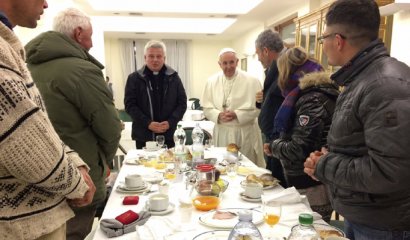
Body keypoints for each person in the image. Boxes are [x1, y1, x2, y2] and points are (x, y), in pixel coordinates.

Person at [303, 0, 410, 238]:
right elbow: (361, 144)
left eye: (323, 39)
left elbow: (388, 171)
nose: (323, 46)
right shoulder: (362, 79)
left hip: (382, 224)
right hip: (366, 215)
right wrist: (328, 158)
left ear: (338, 41)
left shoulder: (383, 85)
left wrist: (325, 166)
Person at [0, 1, 95, 240]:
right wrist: (78, 182)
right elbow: (25, 145)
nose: (45, 3)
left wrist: (74, 161)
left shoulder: (12, 47)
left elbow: (38, 125)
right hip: (24, 223)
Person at [25, 8, 122, 240]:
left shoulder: (26, 66)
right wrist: (104, 162)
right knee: (76, 232)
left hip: (36, 178)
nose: (90, 44)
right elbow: (109, 128)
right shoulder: (82, 71)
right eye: (90, 36)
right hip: (78, 178)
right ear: (79, 33)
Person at [267, 46, 338, 222]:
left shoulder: (311, 99)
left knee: (310, 229)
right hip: (312, 179)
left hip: (312, 184)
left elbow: (299, 148)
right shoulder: (312, 93)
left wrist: (273, 146)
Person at [202, 48, 265, 167]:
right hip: (222, 132)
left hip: (244, 132)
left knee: (246, 167)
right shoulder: (211, 81)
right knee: (223, 166)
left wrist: (237, 114)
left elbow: (259, 109)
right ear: (219, 64)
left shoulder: (252, 81)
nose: (228, 66)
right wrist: (218, 115)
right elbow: (206, 108)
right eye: (225, 63)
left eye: (231, 62)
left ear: (237, 62)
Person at [124, 40, 187, 149]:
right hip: (143, 135)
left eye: (159, 56)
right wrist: (148, 123)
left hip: (168, 134)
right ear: (145, 58)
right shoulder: (134, 78)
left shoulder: (174, 77)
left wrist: (170, 122)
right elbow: (130, 105)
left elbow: (182, 103)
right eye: (151, 56)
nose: (155, 60)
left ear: (164, 58)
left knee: (168, 165)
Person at [254, 29, 288, 187]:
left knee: (281, 189)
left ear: (265, 51)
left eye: (258, 54)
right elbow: (276, 98)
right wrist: (263, 100)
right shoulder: (277, 67)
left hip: (283, 142)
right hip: (275, 140)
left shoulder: (288, 66)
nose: (259, 58)